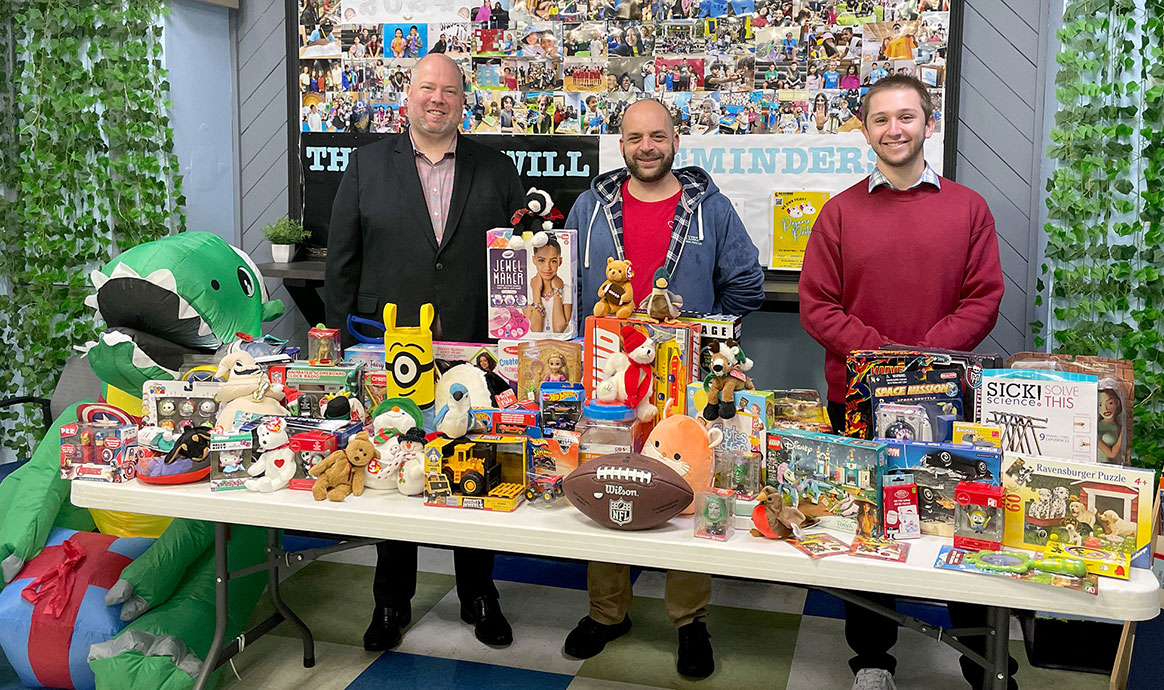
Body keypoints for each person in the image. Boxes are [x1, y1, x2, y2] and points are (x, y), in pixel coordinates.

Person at [798, 75, 1009, 690]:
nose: (895, 129)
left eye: (907, 117)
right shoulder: (839, 212)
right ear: (865, 130)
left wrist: (917, 361)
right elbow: (818, 306)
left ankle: (983, 665)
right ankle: (871, 662)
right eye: (882, 119)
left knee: (964, 531)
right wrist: (884, 360)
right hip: (857, 405)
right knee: (870, 533)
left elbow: (983, 299)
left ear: (928, 123)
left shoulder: (968, 208)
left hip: (951, 405)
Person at [325, 54, 527, 653]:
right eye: (426, 88)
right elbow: (342, 262)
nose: (437, 99)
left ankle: (479, 595)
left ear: (464, 101)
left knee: (475, 464)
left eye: (450, 91)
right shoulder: (365, 166)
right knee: (393, 463)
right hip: (389, 352)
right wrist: (338, 344)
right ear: (407, 96)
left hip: (475, 349)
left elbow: (520, 253)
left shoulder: (496, 168)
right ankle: (390, 603)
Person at [563, 98, 765, 679]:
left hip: (684, 385)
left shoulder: (711, 208)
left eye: (657, 136)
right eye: (633, 137)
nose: (645, 147)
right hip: (606, 378)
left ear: (676, 139)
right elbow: (572, 287)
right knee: (604, 480)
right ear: (619, 143)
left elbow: (746, 281)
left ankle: (690, 620)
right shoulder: (590, 207)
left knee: (688, 491)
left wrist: (706, 344)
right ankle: (607, 613)